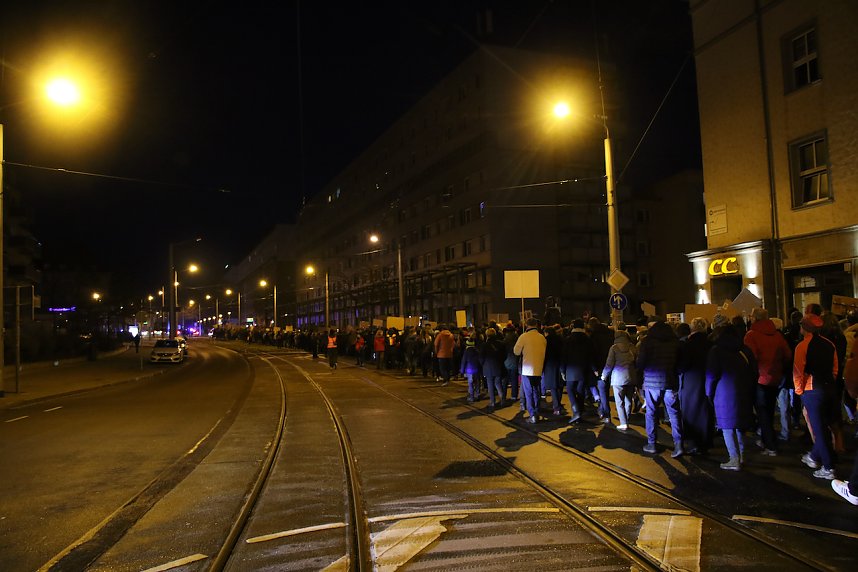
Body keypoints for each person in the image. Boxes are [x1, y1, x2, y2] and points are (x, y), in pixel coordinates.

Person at [706, 323, 757, 470]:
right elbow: (754, 370)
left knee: (727, 426)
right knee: (739, 425)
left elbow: (711, 375)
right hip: (743, 391)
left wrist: (709, 392)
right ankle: (741, 456)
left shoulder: (716, 351)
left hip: (723, 393)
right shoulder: (744, 350)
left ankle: (734, 458)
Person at [794, 313, 838, 480]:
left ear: (805, 328)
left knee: (818, 429)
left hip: (812, 389)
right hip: (829, 387)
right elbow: (834, 368)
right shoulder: (829, 344)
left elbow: (798, 372)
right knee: (823, 426)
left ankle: (828, 467)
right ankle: (814, 456)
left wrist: (799, 392)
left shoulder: (802, 346)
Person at [743, 307, 792, 456]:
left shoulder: (751, 335)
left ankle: (770, 445)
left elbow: (750, 358)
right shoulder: (777, 335)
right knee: (769, 410)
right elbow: (788, 354)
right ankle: (766, 439)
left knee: (762, 412)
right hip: (775, 377)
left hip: (760, 377)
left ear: (754, 318)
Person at [636, 316, 684, 457]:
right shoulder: (675, 342)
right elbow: (680, 363)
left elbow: (640, 363)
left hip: (651, 383)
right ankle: (679, 444)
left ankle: (652, 443)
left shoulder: (647, 342)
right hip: (670, 381)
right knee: (674, 413)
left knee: (651, 412)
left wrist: (640, 381)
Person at [677, 317, 714, 454]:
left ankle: (694, 442)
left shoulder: (688, 344)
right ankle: (706, 440)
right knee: (706, 410)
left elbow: (683, 364)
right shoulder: (711, 343)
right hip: (708, 379)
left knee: (691, 411)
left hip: (691, 381)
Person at [601, 322, 637, 430]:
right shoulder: (632, 347)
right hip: (631, 376)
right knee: (628, 400)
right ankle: (627, 418)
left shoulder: (614, 348)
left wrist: (604, 376)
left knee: (619, 401)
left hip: (618, 378)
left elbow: (609, 364)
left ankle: (623, 422)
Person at [561, 319, 597, 424]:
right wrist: (594, 369)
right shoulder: (588, 340)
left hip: (571, 370)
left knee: (570, 389)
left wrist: (562, 370)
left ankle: (575, 410)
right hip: (584, 370)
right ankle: (579, 413)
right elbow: (591, 356)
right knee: (581, 391)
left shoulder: (568, 340)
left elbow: (564, 356)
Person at [514, 318, 547, 424]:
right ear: (536, 325)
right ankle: (537, 412)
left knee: (528, 392)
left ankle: (532, 414)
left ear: (527, 325)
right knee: (536, 391)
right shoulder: (542, 337)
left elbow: (516, 352)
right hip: (538, 368)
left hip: (527, 369)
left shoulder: (523, 337)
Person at [480, 327, 507, 409]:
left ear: (487, 335)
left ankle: (492, 402)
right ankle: (502, 399)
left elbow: (481, 357)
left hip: (488, 367)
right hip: (498, 365)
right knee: (498, 383)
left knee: (490, 384)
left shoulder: (484, 345)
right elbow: (504, 355)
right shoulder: (501, 344)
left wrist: (483, 364)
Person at [542, 324, 564, 416]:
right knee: (560, 386)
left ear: (546, 333)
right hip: (560, 364)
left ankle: (556, 407)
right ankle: (558, 404)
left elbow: (544, 355)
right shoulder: (561, 340)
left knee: (553, 387)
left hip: (550, 366)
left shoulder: (545, 341)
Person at [460, 338, 482, 402]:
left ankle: (471, 397)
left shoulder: (466, 352)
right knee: (477, 382)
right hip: (477, 369)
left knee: (470, 383)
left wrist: (462, 370)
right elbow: (480, 361)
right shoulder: (477, 351)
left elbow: (463, 361)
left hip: (469, 369)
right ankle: (477, 395)